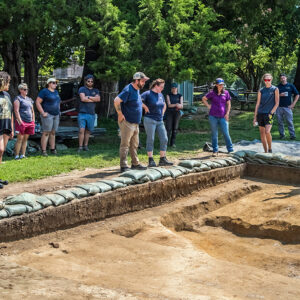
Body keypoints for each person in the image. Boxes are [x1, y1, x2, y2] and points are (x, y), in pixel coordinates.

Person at [114, 72, 149, 172]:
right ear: (136, 80)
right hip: (127, 122)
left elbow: (136, 101)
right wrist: (120, 114)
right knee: (125, 144)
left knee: (134, 144)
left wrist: (144, 106)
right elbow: (116, 100)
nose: (144, 83)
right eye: (142, 81)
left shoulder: (136, 90)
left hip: (135, 123)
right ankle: (123, 166)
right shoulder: (128, 89)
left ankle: (135, 163)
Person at [141, 78, 173, 167]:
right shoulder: (147, 94)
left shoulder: (160, 94)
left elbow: (164, 104)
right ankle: (150, 160)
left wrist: (163, 112)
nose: (162, 88)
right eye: (161, 87)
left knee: (164, 138)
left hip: (160, 120)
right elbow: (138, 101)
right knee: (150, 139)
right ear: (156, 86)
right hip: (150, 119)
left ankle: (162, 159)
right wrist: (145, 107)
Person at [202, 78, 233, 156]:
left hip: (223, 116)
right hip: (213, 116)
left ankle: (230, 149)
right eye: (219, 85)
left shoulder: (226, 93)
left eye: (222, 84)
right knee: (214, 134)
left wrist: (227, 113)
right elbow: (204, 98)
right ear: (216, 85)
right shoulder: (212, 93)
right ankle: (215, 151)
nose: (221, 86)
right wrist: (208, 106)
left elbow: (229, 104)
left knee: (226, 133)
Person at [253, 73, 279, 153]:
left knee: (267, 131)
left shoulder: (275, 89)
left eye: (269, 79)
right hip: (260, 113)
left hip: (269, 114)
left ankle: (270, 148)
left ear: (271, 79)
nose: (267, 81)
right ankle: (265, 152)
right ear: (264, 80)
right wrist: (255, 117)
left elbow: (277, 103)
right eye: (265, 80)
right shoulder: (261, 90)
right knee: (262, 134)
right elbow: (257, 104)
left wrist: (271, 113)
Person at [36, 78, 61, 156]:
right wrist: (42, 112)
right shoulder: (44, 91)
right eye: (53, 83)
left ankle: (52, 149)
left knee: (53, 132)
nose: (55, 84)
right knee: (46, 132)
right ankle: (43, 150)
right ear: (49, 83)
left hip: (56, 114)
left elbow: (58, 102)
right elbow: (37, 102)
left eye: (56, 83)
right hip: (48, 114)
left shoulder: (56, 92)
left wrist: (59, 111)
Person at [77, 74, 100, 152]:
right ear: (85, 81)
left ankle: (85, 146)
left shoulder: (96, 90)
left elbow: (98, 99)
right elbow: (83, 99)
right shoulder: (82, 89)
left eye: (91, 81)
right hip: (82, 113)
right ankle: (80, 147)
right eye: (88, 81)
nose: (90, 82)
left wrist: (89, 97)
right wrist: (93, 99)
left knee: (88, 131)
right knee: (81, 130)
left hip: (91, 113)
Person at [14, 83, 35, 159]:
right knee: (20, 139)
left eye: (27, 89)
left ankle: (23, 155)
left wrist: (33, 121)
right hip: (21, 122)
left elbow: (32, 111)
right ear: (20, 90)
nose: (26, 90)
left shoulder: (29, 99)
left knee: (25, 139)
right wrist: (20, 122)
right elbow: (16, 111)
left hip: (29, 122)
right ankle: (16, 156)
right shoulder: (18, 99)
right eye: (24, 89)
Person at [276, 73, 299, 140]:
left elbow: (297, 95)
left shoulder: (291, 86)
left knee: (289, 121)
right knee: (280, 122)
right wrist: (280, 95)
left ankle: (292, 135)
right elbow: (274, 96)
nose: (282, 79)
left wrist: (293, 104)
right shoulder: (278, 87)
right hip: (279, 107)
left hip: (288, 107)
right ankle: (282, 135)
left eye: (284, 77)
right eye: (281, 78)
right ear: (280, 79)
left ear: (286, 78)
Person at [0, 71, 13, 188]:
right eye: (7, 82)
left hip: (6, 127)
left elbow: (11, 112)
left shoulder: (7, 95)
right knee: (0, 149)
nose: (9, 84)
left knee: (1, 152)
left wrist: (12, 128)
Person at [165, 82, 183, 148]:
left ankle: (172, 143)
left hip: (177, 112)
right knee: (168, 128)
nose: (174, 89)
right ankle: (165, 143)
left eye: (175, 88)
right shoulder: (168, 95)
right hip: (170, 112)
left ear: (177, 88)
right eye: (172, 88)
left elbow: (182, 106)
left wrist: (179, 106)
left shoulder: (180, 95)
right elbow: (169, 105)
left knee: (175, 128)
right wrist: (176, 104)